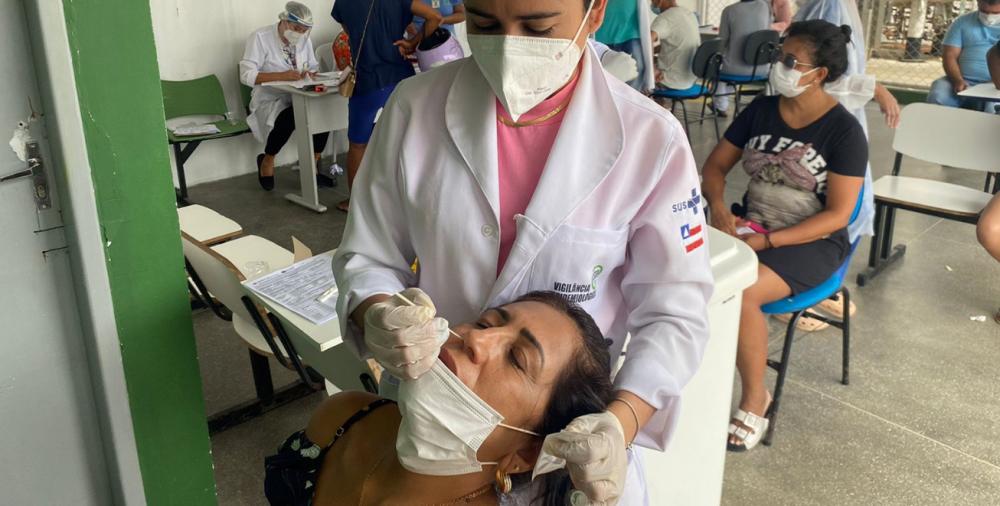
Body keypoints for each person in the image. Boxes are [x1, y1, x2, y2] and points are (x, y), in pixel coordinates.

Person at [331, 0, 714, 502]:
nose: (509, 46)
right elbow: (368, 254)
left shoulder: (649, 139)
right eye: (486, 24)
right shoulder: (414, 106)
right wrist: (377, 313)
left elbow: (674, 311)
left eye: (537, 27)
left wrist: (619, 425)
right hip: (430, 408)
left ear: (594, 12)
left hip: (558, 442)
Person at [264, 292, 615, 505]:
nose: (474, 339)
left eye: (517, 359)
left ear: (525, 453)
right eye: (485, 322)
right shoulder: (342, 416)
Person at [701, 20, 868, 451]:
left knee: (743, 291)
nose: (780, 66)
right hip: (751, 226)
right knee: (681, 263)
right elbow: (715, 167)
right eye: (779, 54)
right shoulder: (761, 110)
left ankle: (757, 397)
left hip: (811, 243)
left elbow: (838, 215)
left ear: (820, 75)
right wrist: (720, 209)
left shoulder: (843, 131)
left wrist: (767, 243)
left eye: (791, 61)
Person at [793, 0, 900, 326]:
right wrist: (874, 88)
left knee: (850, 208)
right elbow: (818, 78)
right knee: (835, 208)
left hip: (835, 124)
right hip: (826, 124)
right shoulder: (828, 6)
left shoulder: (833, 5)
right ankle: (804, 293)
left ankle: (819, 286)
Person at [331, 0, 443, 213]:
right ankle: (413, 199)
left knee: (358, 144)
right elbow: (435, 17)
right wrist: (413, 43)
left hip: (368, 81)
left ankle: (356, 203)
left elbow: (348, 32)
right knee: (409, 140)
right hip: (402, 79)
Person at [240, 2, 333, 192]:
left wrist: (311, 74)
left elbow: (312, 66)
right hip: (270, 98)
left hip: (299, 94)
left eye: (304, 30)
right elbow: (246, 75)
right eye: (296, 28)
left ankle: (312, 167)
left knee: (323, 113)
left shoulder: (304, 40)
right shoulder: (260, 38)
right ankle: (268, 159)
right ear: (283, 21)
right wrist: (281, 75)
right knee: (289, 117)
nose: (299, 33)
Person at [927, 0, 1000, 110]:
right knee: (938, 96)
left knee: (992, 107)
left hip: (996, 84)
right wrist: (958, 80)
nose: (989, 17)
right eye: (984, 11)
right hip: (962, 80)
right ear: (978, 3)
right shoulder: (962, 22)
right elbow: (949, 55)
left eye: (995, 13)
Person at [715, 0, 773, 115]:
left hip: (735, 70)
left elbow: (722, 42)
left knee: (717, 67)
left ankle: (720, 105)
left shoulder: (729, 11)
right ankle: (721, 102)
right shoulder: (765, 6)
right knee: (730, 74)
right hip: (761, 67)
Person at [595, 0, 647, 90]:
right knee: (604, 77)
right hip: (602, 34)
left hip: (630, 33)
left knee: (636, 71)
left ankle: (630, 101)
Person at [650, 0, 700, 91]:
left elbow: (648, 40)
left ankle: (659, 103)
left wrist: (652, 70)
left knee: (637, 75)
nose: (652, 3)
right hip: (690, 80)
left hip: (670, 81)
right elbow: (676, 44)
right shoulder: (689, 14)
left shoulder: (665, 17)